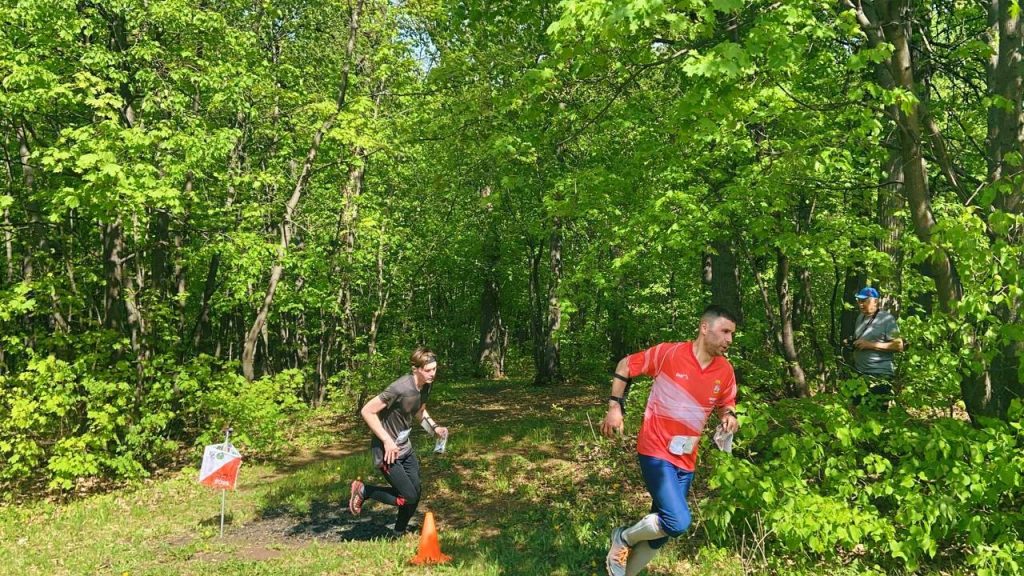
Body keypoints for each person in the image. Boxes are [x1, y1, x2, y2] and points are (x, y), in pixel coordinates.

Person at [601, 305, 740, 576]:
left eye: (732, 334)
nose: (729, 340)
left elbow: (727, 402)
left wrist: (730, 416)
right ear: (704, 328)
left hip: (686, 458)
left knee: (661, 534)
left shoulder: (725, 371)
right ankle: (624, 537)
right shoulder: (670, 353)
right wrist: (614, 407)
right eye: (725, 331)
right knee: (677, 522)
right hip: (655, 449)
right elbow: (625, 365)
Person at [348, 347, 448, 535]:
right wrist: (387, 440)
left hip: (404, 448)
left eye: (435, 369)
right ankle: (365, 490)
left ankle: (398, 533)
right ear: (415, 369)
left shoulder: (426, 385)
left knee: (415, 493)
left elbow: (419, 411)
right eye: (428, 370)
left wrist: (435, 428)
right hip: (387, 451)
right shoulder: (400, 388)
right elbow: (367, 410)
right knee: (408, 495)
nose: (432, 374)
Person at [848, 286, 904, 410]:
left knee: (875, 414)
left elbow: (898, 345)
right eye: (859, 301)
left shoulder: (887, 319)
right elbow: (863, 338)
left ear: (875, 301)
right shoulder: (860, 318)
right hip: (860, 373)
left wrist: (870, 345)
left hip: (879, 374)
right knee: (852, 408)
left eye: (864, 301)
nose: (861, 304)